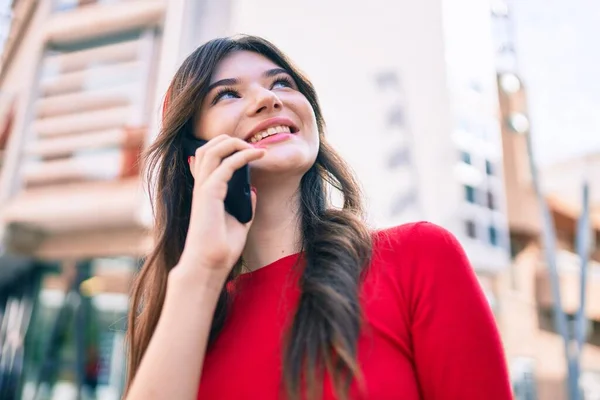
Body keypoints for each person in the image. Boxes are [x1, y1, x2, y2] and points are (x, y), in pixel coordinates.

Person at [124, 35, 512, 400]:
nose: (266, 99)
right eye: (227, 93)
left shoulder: (418, 256)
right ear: (195, 156)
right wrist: (201, 271)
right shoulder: (186, 319)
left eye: (280, 83)